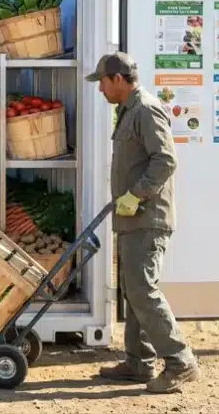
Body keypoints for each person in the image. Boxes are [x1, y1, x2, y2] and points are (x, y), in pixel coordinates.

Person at [84, 52, 200, 394]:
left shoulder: (146, 109)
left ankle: (180, 362)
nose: (100, 88)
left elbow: (165, 160)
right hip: (131, 218)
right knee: (133, 290)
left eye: (102, 81)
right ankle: (139, 362)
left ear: (118, 79)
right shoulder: (129, 110)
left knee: (143, 290)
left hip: (147, 218)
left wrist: (137, 194)